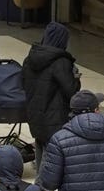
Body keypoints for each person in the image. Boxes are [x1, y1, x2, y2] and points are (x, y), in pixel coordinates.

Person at [20, 21, 82, 149]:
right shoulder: (61, 62)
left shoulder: (30, 59)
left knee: (39, 146)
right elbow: (71, 91)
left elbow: (23, 83)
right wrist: (76, 79)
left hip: (34, 115)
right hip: (55, 119)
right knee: (53, 157)